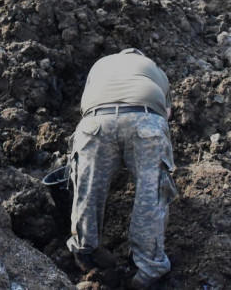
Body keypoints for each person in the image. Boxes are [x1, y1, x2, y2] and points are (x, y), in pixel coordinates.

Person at [67, 48, 177, 289]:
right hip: (145, 120)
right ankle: (149, 268)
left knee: (88, 188)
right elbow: (166, 113)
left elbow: (86, 104)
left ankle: (85, 251)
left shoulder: (101, 64)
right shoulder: (154, 69)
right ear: (140, 59)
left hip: (96, 121)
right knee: (150, 195)